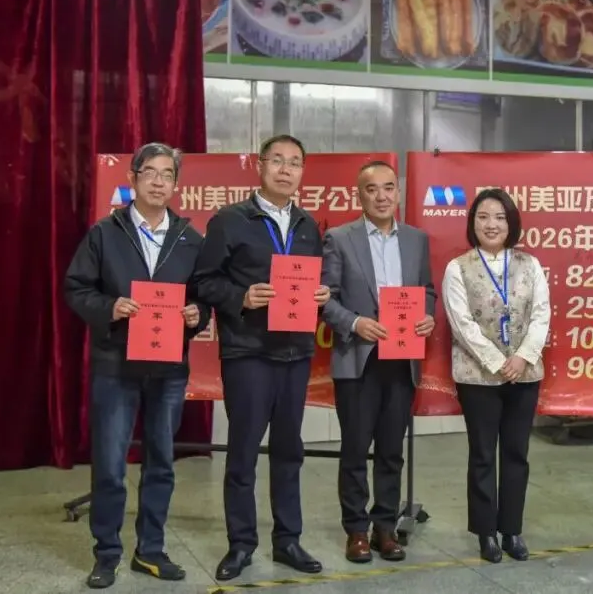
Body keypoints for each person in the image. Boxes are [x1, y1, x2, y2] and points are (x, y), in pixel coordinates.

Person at [63, 143, 211, 589]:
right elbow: (76, 288)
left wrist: (198, 314)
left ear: (176, 184)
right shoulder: (105, 233)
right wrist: (110, 307)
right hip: (115, 365)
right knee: (110, 465)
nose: (158, 182)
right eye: (150, 173)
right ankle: (107, 553)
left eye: (167, 175)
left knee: (162, 461)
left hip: (168, 368)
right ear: (132, 179)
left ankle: (150, 550)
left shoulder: (190, 239)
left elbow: (204, 296)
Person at [191, 135, 330, 581]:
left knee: (289, 452)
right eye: (278, 161)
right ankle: (241, 544)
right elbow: (204, 282)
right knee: (244, 453)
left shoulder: (308, 225)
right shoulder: (229, 220)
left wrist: (321, 296)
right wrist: (243, 297)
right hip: (248, 352)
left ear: (302, 172)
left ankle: (288, 540)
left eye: (295, 163)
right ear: (259, 166)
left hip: (295, 353)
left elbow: (314, 281)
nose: (286, 170)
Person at [320, 160, 437, 564]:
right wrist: (355, 323)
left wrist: (427, 315)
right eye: (372, 189)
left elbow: (427, 290)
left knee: (391, 449)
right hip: (358, 358)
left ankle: (384, 526)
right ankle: (356, 530)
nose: (382, 196)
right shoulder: (339, 238)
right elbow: (325, 299)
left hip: (401, 359)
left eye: (389, 188)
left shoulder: (417, 240)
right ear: (360, 195)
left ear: (398, 193)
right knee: (355, 449)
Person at [441, 188, 550, 564]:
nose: (492, 224)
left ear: (511, 223)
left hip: (525, 374)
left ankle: (511, 530)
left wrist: (522, 358)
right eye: (484, 217)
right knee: (483, 454)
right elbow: (461, 323)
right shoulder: (458, 268)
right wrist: (496, 361)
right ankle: (486, 533)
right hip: (478, 377)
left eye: (500, 217)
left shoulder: (530, 264)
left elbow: (541, 314)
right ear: (473, 223)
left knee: (517, 454)